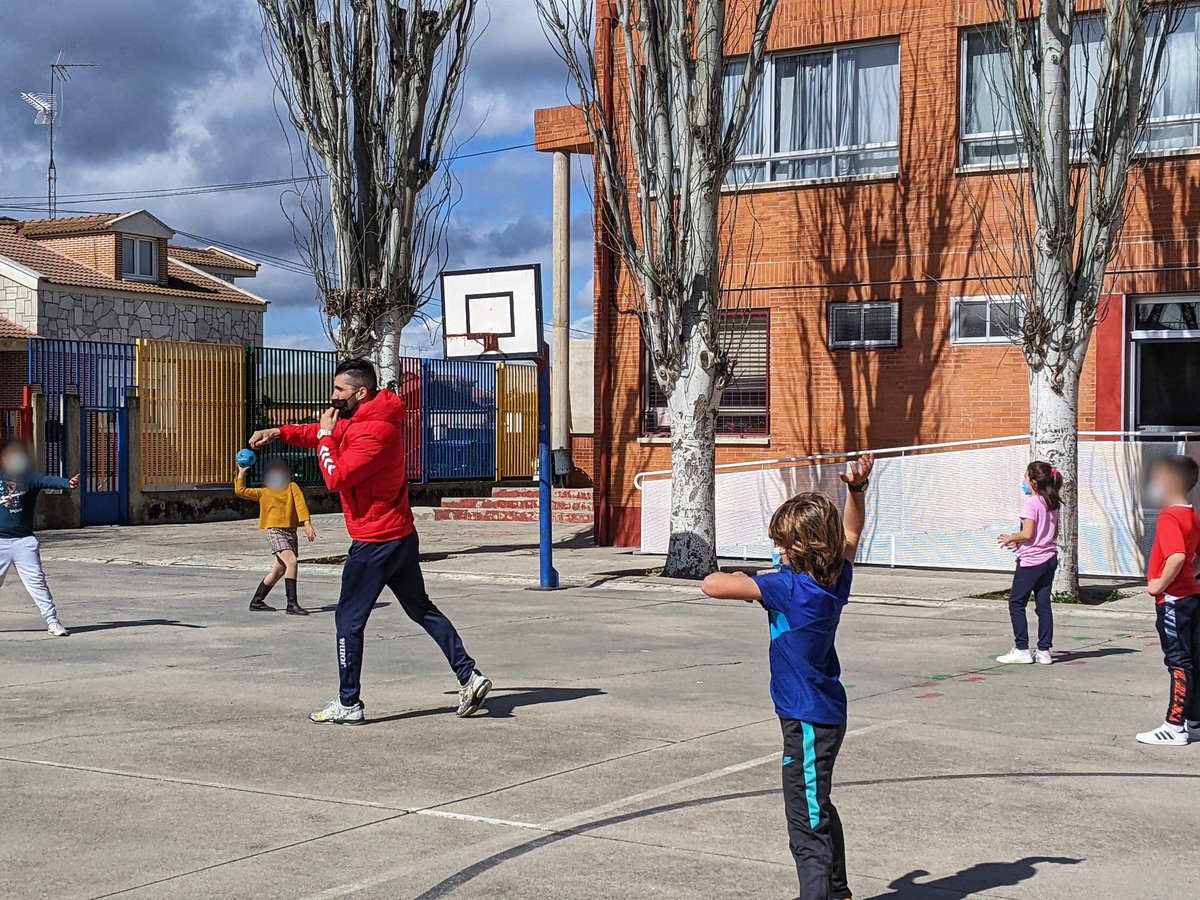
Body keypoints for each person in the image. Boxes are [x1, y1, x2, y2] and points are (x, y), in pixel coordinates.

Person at [248, 357, 491, 724]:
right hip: (398, 534)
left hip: (376, 541)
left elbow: (336, 477)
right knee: (420, 608)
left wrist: (326, 438)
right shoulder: (363, 418)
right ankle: (468, 676)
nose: (332, 397)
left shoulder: (377, 432)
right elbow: (324, 430)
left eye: (338, 390)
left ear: (360, 392)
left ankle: (349, 703)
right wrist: (280, 432)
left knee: (348, 620)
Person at [702, 454, 874, 900]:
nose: (777, 549)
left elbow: (712, 584)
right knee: (819, 807)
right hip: (822, 714)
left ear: (801, 548)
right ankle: (838, 892)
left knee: (806, 821)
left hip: (808, 720)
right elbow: (852, 533)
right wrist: (856, 492)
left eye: (782, 543)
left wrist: (749, 579)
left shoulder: (788, 587)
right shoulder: (836, 577)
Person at [1136, 454, 1200, 747]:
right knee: (1193, 660)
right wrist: (1187, 574)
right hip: (1190, 596)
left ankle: (1174, 725)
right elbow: (1195, 559)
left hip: (1173, 598)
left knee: (1178, 662)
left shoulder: (1169, 516)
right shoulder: (1192, 514)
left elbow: (1177, 556)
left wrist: (1158, 584)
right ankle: (1195, 721)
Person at [0, 438, 79, 637]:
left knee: (37, 582)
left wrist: (67, 483)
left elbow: (48, 480)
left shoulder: (29, 478)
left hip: (23, 542)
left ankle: (52, 621)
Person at [996, 461, 1063, 666]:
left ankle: (1022, 648)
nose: (1024, 481)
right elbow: (1053, 533)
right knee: (1043, 605)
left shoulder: (1032, 504)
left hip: (1032, 561)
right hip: (1049, 558)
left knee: (1016, 602)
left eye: (1026, 477)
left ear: (1033, 482)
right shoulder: (1052, 502)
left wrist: (1012, 538)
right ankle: (1044, 650)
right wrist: (1023, 544)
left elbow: (1027, 533)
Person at [234, 458, 315, 616]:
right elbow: (240, 491)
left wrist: (307, 523)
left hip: (291, 532)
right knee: (291, 562)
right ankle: (292, 604)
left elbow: (301, 505)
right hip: (275, 531)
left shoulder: (292, 487)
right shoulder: (264, 492)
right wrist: (242, 473)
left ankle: (257, 601)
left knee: (278, 570)